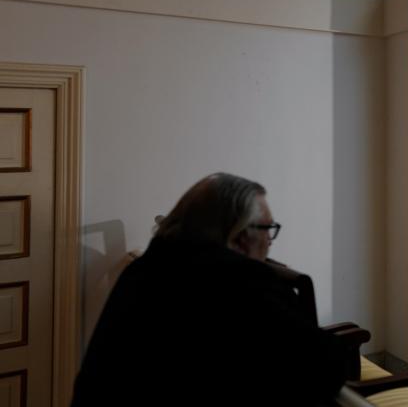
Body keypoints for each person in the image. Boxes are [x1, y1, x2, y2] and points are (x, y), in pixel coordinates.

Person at [72, 173, 347, 406]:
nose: (270, 241)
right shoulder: (243, 283)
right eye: (267, 229)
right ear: (240, 235)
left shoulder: (144, 269)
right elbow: (323, 368)